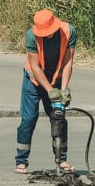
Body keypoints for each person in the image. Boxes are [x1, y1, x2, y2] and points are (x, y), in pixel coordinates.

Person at [15, 9, 77, 174]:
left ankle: (61, 160)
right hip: (34, 81)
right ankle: (21, 161)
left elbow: (68, 61)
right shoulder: (31, 36)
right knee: (28, 119)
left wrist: (62, 91)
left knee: (58, 117)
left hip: (56, 77)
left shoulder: (68, 31)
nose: (47, 35)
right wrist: (50, 91)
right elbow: (35, 66)